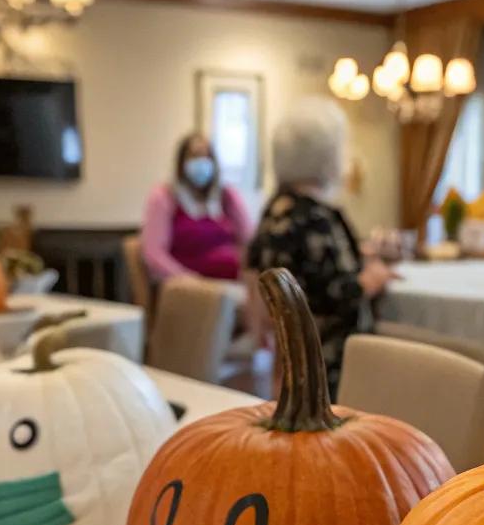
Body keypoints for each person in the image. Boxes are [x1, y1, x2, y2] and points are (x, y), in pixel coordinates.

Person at [247, 99, 394, 392]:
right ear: (329, 156)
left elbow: (263, 266)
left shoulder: (275, 210)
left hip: (292, 359)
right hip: (331, 366)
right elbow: (338, 293)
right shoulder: (318, 218)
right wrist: (374, 277)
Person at [141, 133, 253, 283]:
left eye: (207, 156)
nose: (202, 162)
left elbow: (248, 238)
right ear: (182, 162)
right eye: (195, 156)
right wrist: (188, 279)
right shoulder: (164, 197)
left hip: (232, 280)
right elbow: (153, 253)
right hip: (191, 285)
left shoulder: (224, 196)